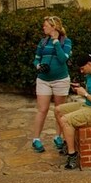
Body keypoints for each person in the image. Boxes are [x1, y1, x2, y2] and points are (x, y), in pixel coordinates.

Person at [53, 54, 91, 171]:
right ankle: (68, 142)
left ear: (89, 64)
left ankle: (73, 155)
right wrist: (80, 88)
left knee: (65, 120)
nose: (82, 71)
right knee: (58, 110)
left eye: (82, 68)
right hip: (87, 105)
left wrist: (85, 94)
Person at [29, 16, 73, 153]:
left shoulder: (66, 42)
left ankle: (58, 136)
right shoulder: (42, 42)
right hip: (43, 80)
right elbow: (36, 59)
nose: (43, 28)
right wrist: (38, 67)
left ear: (54, 27)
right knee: (42, 109)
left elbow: (62, 59)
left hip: (60, 80)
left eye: (46, 26)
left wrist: (55, 42)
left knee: (59, 110)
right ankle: (36, 139)